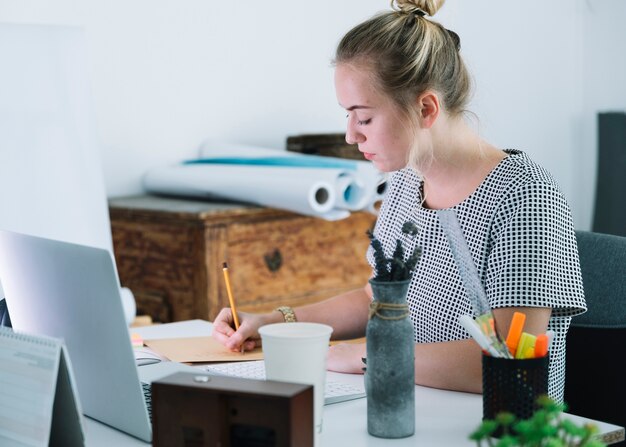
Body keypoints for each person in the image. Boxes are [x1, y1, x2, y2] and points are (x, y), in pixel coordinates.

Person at [212, 0, 586, 402]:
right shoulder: (407, 181)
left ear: (425, 108)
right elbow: (376, 298)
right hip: (414, 405)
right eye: (347, 115)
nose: (351, 136)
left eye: (364, 117)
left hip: (497, 429)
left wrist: (370, 355)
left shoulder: (524, 195)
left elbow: (511, 357)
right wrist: (277, 322)